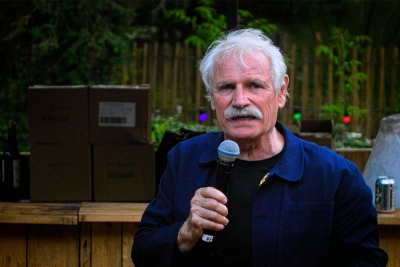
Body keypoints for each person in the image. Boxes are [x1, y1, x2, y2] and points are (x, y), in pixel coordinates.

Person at [132, 28, 388, 267]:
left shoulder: (334, 174)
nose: (240, 101)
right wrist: (185, 232)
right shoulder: (184, 159)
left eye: (254, 85)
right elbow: (143, 251)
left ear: (281, 91)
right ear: (212, 97)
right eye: (226, 87)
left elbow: (366, 260)